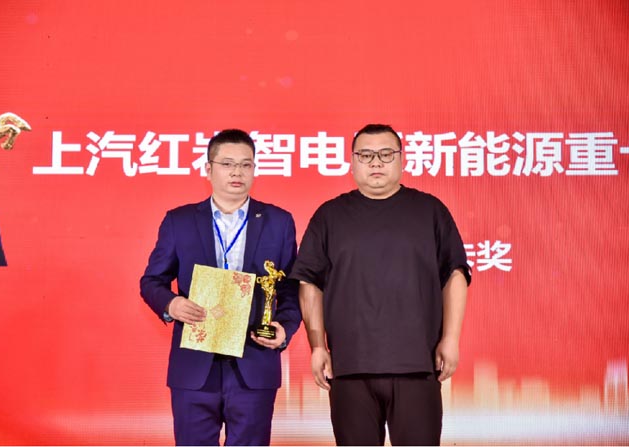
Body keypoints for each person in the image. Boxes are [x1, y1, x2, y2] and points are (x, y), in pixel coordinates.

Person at [290, 123, 471, 446]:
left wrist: (451, 339)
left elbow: (455, 275)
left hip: (418, 364)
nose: (376, 162)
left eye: (386, 154)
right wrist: (318, 347)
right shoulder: (330, 215)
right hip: (350, 367)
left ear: (401, 159)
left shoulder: (430, 210)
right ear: (352, 162)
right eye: (366, 155)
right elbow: (310, 284)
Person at [140, 128, 301, 446]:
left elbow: (290, 288)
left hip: (254, 360)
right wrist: (171, 304)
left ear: (254, 169)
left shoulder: (279, 221)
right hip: (195, 365)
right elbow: (151, 281)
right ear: (208, 168)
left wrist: (284, 328)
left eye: (245, 164)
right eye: (227, 164)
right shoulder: (179, 220)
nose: (237, 172)